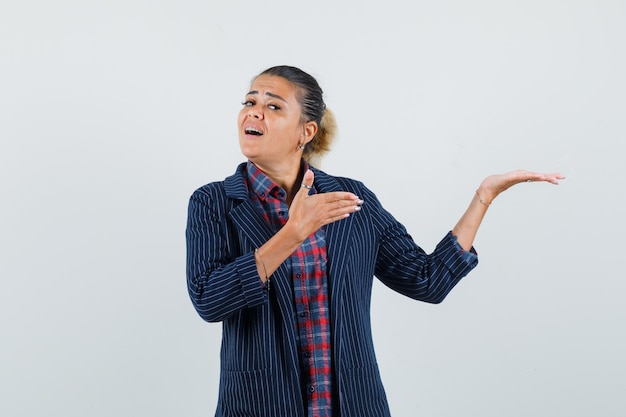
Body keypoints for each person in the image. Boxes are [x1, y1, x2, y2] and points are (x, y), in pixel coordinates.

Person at [185, 65, 564, 417]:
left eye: (273, 105)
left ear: (306, 132)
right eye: (250, 102)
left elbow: (426, 280)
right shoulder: (213, 202)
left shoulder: (351, 199)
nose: (254, 112)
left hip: (354, 404)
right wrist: (293, 232)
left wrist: (483, 197)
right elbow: (208, 300)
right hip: (259, 405)